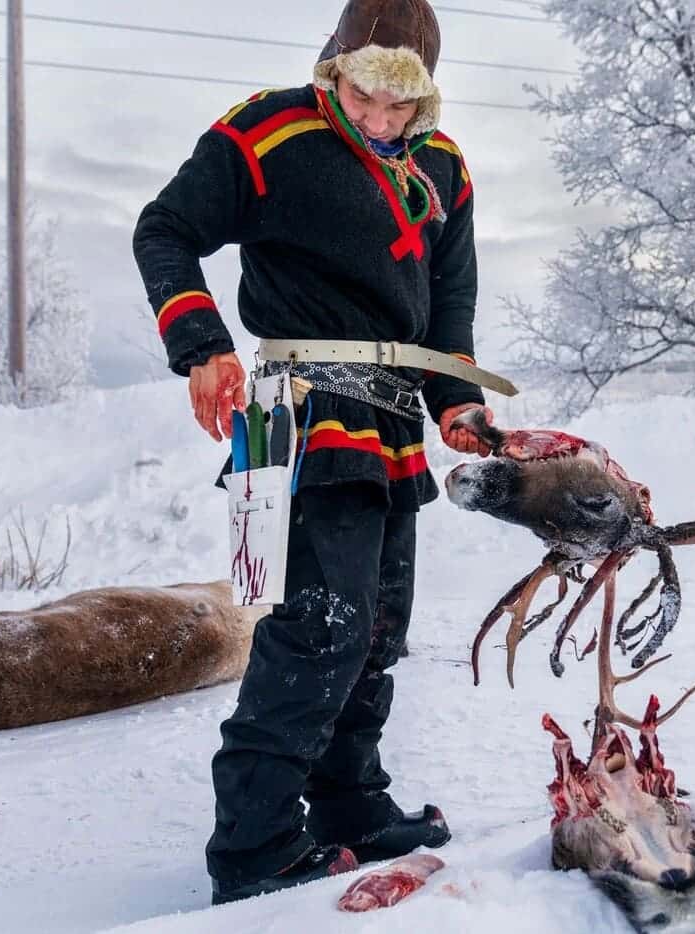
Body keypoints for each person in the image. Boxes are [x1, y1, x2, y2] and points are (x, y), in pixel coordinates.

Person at [133, 0, 502, 905]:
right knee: (318, 629)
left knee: (376, 628)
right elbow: (165, 230)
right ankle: (252, 845)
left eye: (399, 109)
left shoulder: (444, 165)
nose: (379, 121)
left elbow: (449, 299)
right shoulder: (267, 131)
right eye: (364, 97)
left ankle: (350, 806)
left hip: (390, 418)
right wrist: (201, 347)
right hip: (297, 408)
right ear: (334, 68)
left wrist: (455, 403)